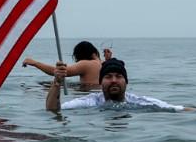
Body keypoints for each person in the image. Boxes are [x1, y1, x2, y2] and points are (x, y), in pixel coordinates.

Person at [45, 58, 187, 112]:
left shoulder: (139, 101)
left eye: (119, 76)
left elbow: (176, 109)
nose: (113, 80)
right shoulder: (90, 101)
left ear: (126, 82)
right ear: (100, 82)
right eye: (108, 76)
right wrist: (57, 82)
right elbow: (53, 110)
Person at [23, 41, 103, 87]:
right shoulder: (103, 63)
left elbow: (58, 72)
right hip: (98, 91)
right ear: (95, 52)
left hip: (87, 92)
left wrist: (35, 63)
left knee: (46, 85)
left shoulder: (85, 64)